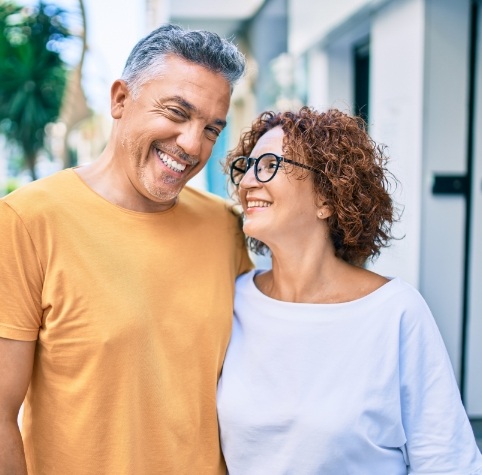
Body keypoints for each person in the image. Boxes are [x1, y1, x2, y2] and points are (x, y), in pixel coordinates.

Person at [0, 24, 252, 475]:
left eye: (212, 129)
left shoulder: (225, 227)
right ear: (120, 99)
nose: (193, 145)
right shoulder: (26, 221)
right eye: (177, 112)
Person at [217, 107, 482, 474]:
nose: (247, 182)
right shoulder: (233, 302)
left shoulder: (395, 312)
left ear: (327, 198)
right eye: (246, 166)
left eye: (268, 165)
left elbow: (446, 462)